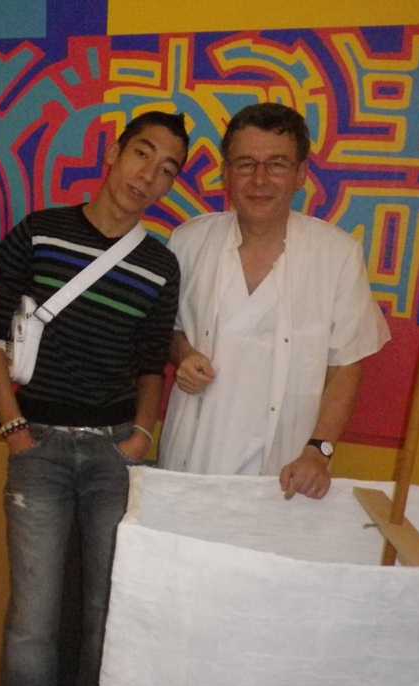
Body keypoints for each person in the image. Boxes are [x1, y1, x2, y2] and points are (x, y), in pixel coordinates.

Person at [0, 111, 189, 686]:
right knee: (34, 619)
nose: (149, 175)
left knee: (109, 611)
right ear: (114, 152)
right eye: (142, 154)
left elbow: (151, 364)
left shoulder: (159, 264)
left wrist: (142, 435)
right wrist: (14, 428)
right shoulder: (38, 232)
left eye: (167, 169)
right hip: (37, 447)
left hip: (114, 452)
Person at [159, 102, 390, 500]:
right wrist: (183, 354)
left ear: (300, 174)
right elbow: (169, 330)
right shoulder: (188, 241)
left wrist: (319, 451)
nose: (260, 179)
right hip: (193, 456)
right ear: (226, 172)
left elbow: (347, 364)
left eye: (277, 164)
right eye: (245, 164)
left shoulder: (337, 254)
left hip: (287, 466)